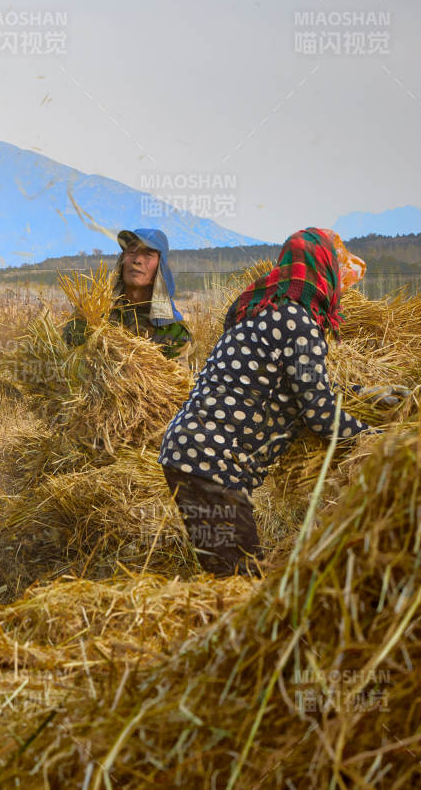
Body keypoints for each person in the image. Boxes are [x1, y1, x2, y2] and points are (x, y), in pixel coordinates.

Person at [157, 228, 388, 577]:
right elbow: (321, 414)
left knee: (231, 574)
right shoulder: (299, 322)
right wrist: (378, 440)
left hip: (190, 453)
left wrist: (361, 394)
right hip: (213, 464)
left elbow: (300, 385)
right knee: (241, 581)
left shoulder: (260, 313)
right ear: (323, 273)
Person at [62, 228, 192, 359]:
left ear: (160, 267)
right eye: (132, 251)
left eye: (148, 254)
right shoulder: (94, 312)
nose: (137, 260)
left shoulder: (173, 331)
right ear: (122, 260)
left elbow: (178, 377)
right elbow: (67, 355)